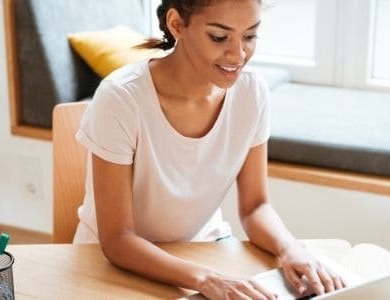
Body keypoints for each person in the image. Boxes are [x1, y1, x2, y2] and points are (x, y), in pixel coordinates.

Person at [73, 0, 345, 298]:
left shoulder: (252, 93)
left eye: (250, 36)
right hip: (112, 263)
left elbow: (255, 207)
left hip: (202, 249)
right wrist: (206, 279)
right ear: (177, 24)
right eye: (219, 37)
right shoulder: (121, 99)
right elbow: (118, 240)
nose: (239, 54)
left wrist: (292, 248)